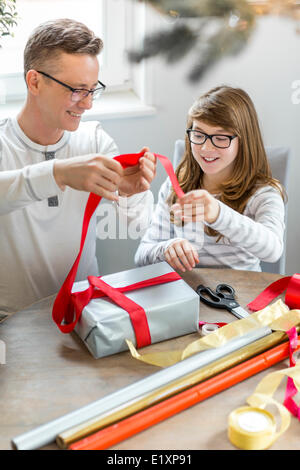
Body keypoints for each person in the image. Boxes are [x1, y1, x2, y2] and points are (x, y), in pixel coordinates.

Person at [0, 18, 156, 316]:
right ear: (34, 82)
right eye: (76, 90)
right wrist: (58, 173)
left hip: (84, 315)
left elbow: (140, 224)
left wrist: (132, 192)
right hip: (9, 324)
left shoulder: (95, 141)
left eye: (92, 89)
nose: (87, 105)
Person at [135, 85, 285, 273]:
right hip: (187, 293)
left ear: (244, 140)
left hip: (240, 296)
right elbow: (141, 255)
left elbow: (273, 250)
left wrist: (218, 214)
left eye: (221, 138)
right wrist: (166, 250)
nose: (206, 148)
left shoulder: (263, 193)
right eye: (198, 135)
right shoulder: (176, 186)